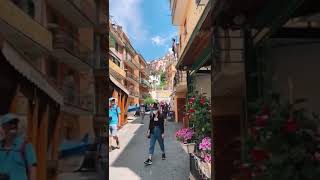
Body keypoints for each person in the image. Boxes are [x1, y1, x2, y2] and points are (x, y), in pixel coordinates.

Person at [0, 113, 37, 180]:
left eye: (15, 123)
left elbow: (32, 172)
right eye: (10, 123)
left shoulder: (26, 146)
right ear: (3, 127)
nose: (13, 125)